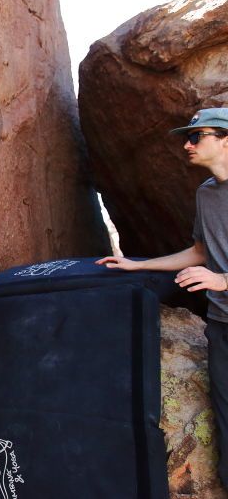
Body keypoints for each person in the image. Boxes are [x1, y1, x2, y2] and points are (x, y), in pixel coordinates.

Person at [96, 107, 228, 487]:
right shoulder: (207, 194)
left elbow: (213, 271)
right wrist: (138, 265)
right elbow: (201, 251)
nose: (186, 144)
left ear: (224, 139)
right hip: (221, 326)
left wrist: (221, 281)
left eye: (196, 136)